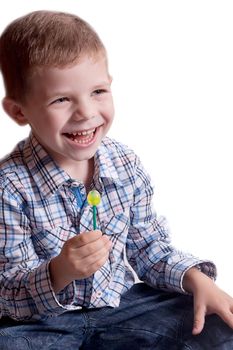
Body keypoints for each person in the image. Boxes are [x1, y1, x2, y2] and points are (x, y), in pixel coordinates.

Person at [0, 10, 232, 350]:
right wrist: (58, 272)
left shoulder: (123, 163)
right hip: (41, 324)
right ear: (19, 111)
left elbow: (149, 247)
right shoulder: (10, 186)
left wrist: (195, 279)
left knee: (214, 327)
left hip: (123, 308)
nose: (86, 113)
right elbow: (7, 291)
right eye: (61, 99)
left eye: (97, 91)